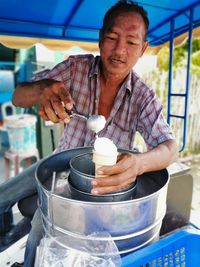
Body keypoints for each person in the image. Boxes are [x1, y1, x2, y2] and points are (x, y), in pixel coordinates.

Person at [0, 1, 178, 266]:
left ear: (143, 49)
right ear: (99, 39)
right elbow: (18, 95)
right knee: (4, 195)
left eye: (131, 42)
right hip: (58, 168)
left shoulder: (143, 97)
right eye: (112, 38)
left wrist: (139, 163)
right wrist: (42, 90)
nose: (119, 50)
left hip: (99, 192)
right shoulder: (75, 69)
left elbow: (169, 148)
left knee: (42, 225)